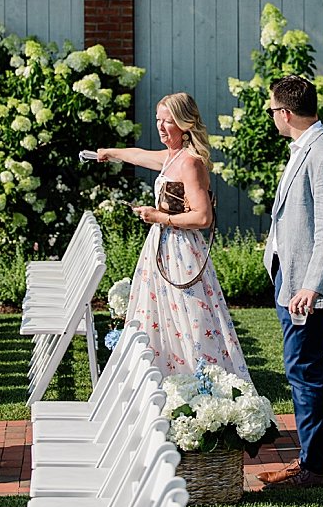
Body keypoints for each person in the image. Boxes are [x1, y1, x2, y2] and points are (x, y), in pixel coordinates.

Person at [96, 92, 251, 382]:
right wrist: (110, 152)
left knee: (189, 317)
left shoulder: (190, 163)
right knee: (160, 315)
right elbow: (139, 155)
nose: (161, 126)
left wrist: (159, 217)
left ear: (185, 124)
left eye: (168, 121)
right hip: (162, 246)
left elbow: (203, 218)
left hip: (181, 252)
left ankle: (199, 379)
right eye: (158, 120)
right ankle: (163, 376)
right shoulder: (172, 157)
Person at [255, 75, 323, 491]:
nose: (271, 117)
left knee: (304, 369)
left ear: (285, 113)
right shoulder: (304, 148)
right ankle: (310, 461)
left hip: (306, 286)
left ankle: (316, 469)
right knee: (300, 368)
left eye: (272, 111)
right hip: (290, 277)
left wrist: (313, 287)